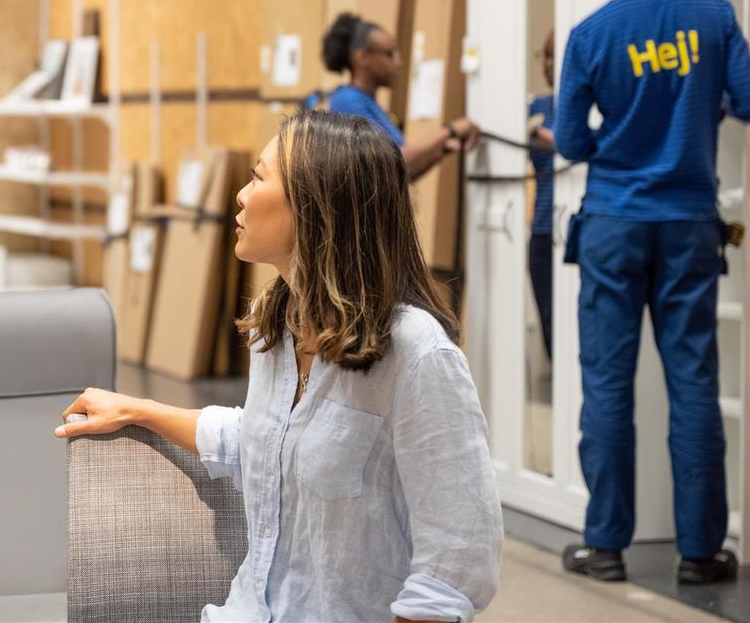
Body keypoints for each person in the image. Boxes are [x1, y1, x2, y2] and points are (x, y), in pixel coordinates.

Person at [57, 111, 503, 622]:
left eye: (258, 177)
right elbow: (268, 440)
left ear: (316, 209)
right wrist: (140, 409)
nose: (241, 196)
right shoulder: (278, 327)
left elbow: (455, 564)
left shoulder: (417, 353)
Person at [555, 0, 750, 585]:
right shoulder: (712, 16)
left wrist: (611, 137)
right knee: (694, 380)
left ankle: (606, 545)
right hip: (688, 223)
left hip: (615, 223)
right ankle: (701, 552)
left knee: (609, 383)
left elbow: (566, 140)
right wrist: (707, 106)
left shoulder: (590, 35)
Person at [320, 12, 483, 180]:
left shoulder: (369, 103)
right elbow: (393, 163)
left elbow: (400, 175)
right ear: (363, 58)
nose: (398, 63)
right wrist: (450, 131)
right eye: (389, 55)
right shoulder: (348, 101)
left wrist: (439, 151)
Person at [527, 31, 557, 362]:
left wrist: (537, 132)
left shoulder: (580, 105)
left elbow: (577, 143)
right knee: (548, 318)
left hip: (571, 228)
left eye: (554, 55)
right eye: (544, 56)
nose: (548, 64)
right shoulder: (537, 106)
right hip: (541, 228)